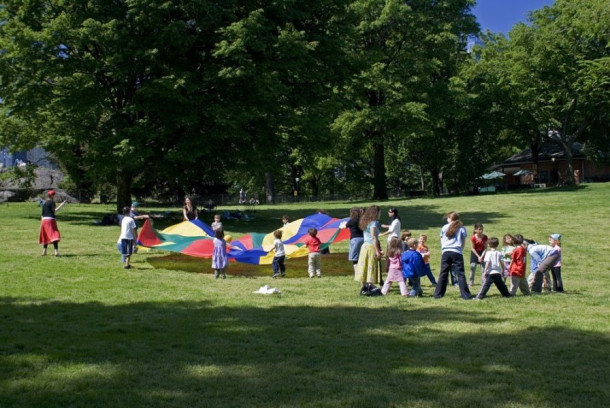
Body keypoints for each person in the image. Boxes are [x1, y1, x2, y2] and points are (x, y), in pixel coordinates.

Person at [433, 212, 473, 300]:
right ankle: (466, 295)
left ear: (450, 218)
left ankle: (438, 294)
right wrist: (460, 250)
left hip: (446, 252)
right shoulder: (462, 228)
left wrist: (443, 250)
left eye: (447, 217)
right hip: (457, 251)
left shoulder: (444, 227)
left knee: (443, 273)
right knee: (460, 274)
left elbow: (442, 240)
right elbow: (463, 241)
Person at [355, 205, 383, 292]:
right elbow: (373, 237)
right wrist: (378, 250)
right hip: (371, 246)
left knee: (364, 266)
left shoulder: (365, 221)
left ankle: (363, 287)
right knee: (371, 265)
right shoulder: (373, 223)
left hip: (364, 246)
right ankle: (370, 286)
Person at [39, 190, 67, 256]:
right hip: (50, 220)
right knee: (54, 234)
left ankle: (44, 251)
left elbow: (42, 214)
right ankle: (56, 252)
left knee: (45, 235)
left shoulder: (45, 203)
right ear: (52, 196)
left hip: (44, 220)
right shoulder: (52, 202)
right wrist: (62, 205)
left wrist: (42, 222)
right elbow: (54, 211)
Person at [469, 223, 488, 287]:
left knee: (483, 268)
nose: (481, 231)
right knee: (473, 267)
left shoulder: (485, 237)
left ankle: (484, 282)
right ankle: (471, 282)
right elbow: (472, 248)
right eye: (479, 229)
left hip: (482, 253)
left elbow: (485, 248)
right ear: (475, 230)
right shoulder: (473, 237)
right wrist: (478, 256)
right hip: (475, 253)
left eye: (481, 229)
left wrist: (482, 256)